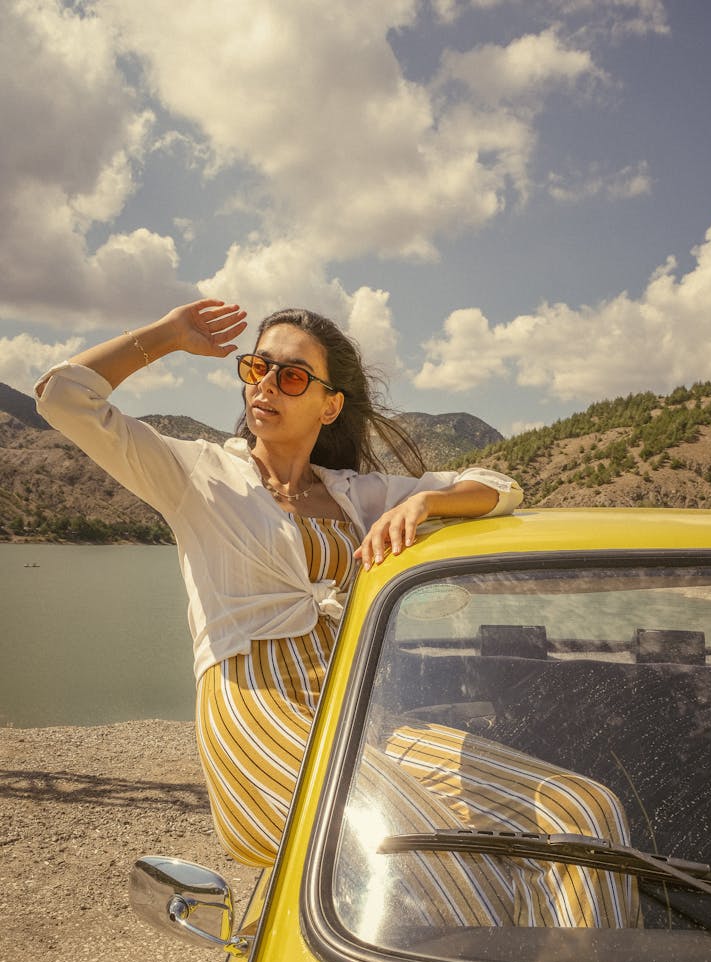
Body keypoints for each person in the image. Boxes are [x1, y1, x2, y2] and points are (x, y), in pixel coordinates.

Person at [35, 298, 637, 926]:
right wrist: (164, 336)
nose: (266, 385)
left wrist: (426, 504)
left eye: (290, 376)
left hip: (360, 716)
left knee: (582, 812)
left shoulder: (357, 493)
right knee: (419, 839)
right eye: (256, 368)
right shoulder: (198, 475)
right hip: (259, 713)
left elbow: (500, 487)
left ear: (330, 405)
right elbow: (62, 397)